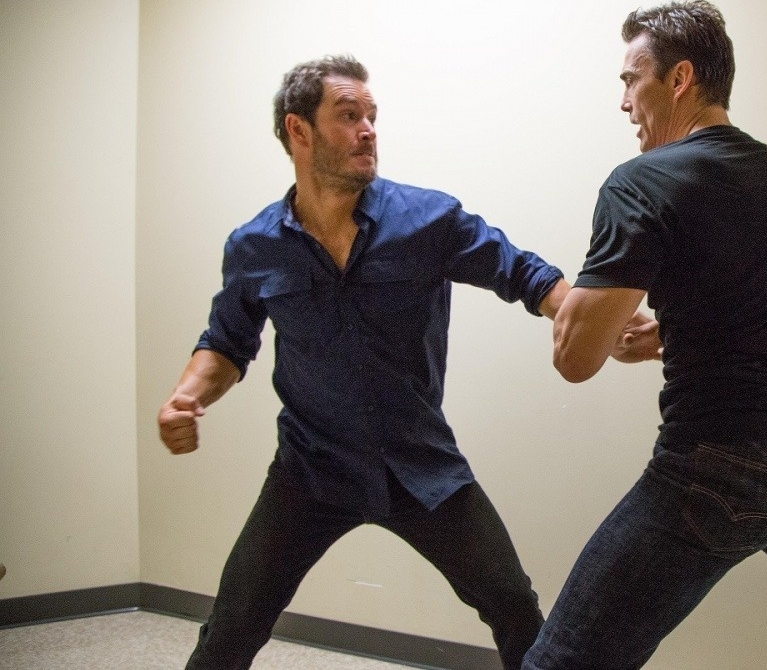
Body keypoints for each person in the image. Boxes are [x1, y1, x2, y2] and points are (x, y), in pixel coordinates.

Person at [157, 54, 569, 670]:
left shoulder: (427, 219)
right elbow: (226, 343)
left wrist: (587, 318)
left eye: (372, 116)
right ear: (299, 130)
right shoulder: (255, 246)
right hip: (309, 469)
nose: (369, 130)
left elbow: (522, 272)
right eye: (349, 116)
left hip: (419, 465)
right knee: (232, 628)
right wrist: (185, 396)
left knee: (513, 606)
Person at [523, 1, 767, 669]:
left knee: (565, 658)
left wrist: (573, 308)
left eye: (631, 80)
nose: (624, 103)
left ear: (680, 78)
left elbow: (574, 359)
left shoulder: (641, 182)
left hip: (724, 461)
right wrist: (670, 333)